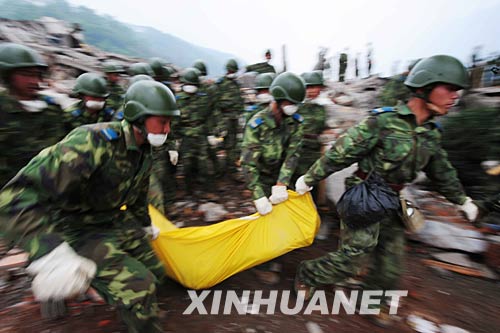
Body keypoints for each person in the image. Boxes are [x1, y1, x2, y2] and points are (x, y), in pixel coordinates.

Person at [293, 55, 480, 326]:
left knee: (390, 261)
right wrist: (310, 177)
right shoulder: (383, 122)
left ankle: (371, 302)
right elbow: (342, 153)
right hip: (364, 194)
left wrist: (462, 200)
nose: (455, 95)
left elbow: (441, 171)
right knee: (353, 259)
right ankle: (309, 274)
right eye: (449, 88)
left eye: (457, 90)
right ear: (425, 87)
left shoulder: (430, 133)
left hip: (393, 198)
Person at [0, 80, 180, 332]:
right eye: (162, 121)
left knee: (156, 271)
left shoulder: (143, 149)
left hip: (112, 220)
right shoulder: (93, 142)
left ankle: (106, 289)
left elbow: (138, 192)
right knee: (140, 288)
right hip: (78, 229)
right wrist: (49, 252)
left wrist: (145, 223)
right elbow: (13, 196)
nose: (167, 129)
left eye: (170, 122)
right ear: (138, 116)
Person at [240, 72, 306, 283]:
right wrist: (258, 195)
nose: (293, 106)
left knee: (279, 220)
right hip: (260, 178)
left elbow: (293, 153)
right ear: (277, 99)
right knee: (263, 221)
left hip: (280, 179)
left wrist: (282, 183)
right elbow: (248, 163)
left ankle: (274, 255)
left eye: (296, 103)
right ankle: (261, 264)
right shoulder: (256, 124)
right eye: (290, 102)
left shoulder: (295, 123)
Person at [0, 43, 67, 187]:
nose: (35, 81)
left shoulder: (52, 109)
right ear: (7, 75)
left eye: (37, 75)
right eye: (26, 75)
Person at [175, 68, 214, 197]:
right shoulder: (178, 100)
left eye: (193, 85)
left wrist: (210, 131)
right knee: (187, 164)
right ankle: (188, 191)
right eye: (188, 84)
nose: (191, 87)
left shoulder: (202, 98)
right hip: (185, 136)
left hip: (200, 133)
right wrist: (174, 138)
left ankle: (207, 190)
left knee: (204, 163)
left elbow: (209, 114)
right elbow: (174, 120)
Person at [216, 59, 245, 178]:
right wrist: (219, 121)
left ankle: (231, 170)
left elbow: (240, 101)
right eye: (230, 70)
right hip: (224, 119)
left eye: (234, 70)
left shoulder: (237, 84)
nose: (232, 72)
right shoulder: (221, 84)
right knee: (220, 144)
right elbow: (216, 103)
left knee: (233, 145)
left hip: (235, 118)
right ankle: (219, 171)